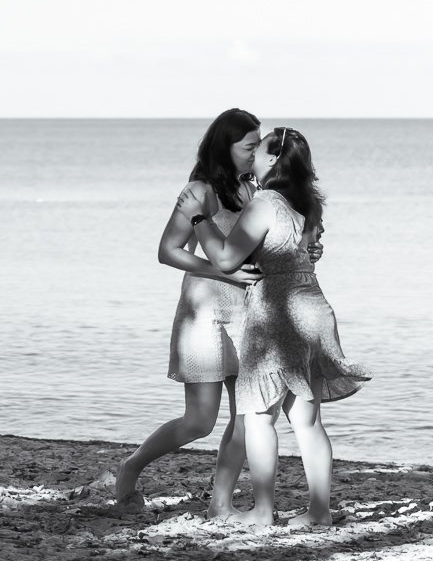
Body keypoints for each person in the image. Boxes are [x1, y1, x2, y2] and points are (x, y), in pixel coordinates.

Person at [115, 110, 323, 516]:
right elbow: (168, 251)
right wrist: (222, 272)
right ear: (224, 147)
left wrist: (309, 247)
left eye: (257, 144)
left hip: (253, 315)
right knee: (199, 421)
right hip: (206, 312)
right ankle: (130, 467)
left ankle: (220, 504)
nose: (256, 153)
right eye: (249, 146)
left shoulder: (257, 190)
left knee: (248, 418)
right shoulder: (199, 191)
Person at [177, 126, 369, 528]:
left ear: (273, 159)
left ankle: (263, 510)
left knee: (258, 417)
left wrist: (199, 216)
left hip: (277, 317)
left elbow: (227, 259)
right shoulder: (309, 203)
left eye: (260, 152)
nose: (253, 161)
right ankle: (319, 511)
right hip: (315, 310)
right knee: (308, 421)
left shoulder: (265, 202)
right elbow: (307, 253)